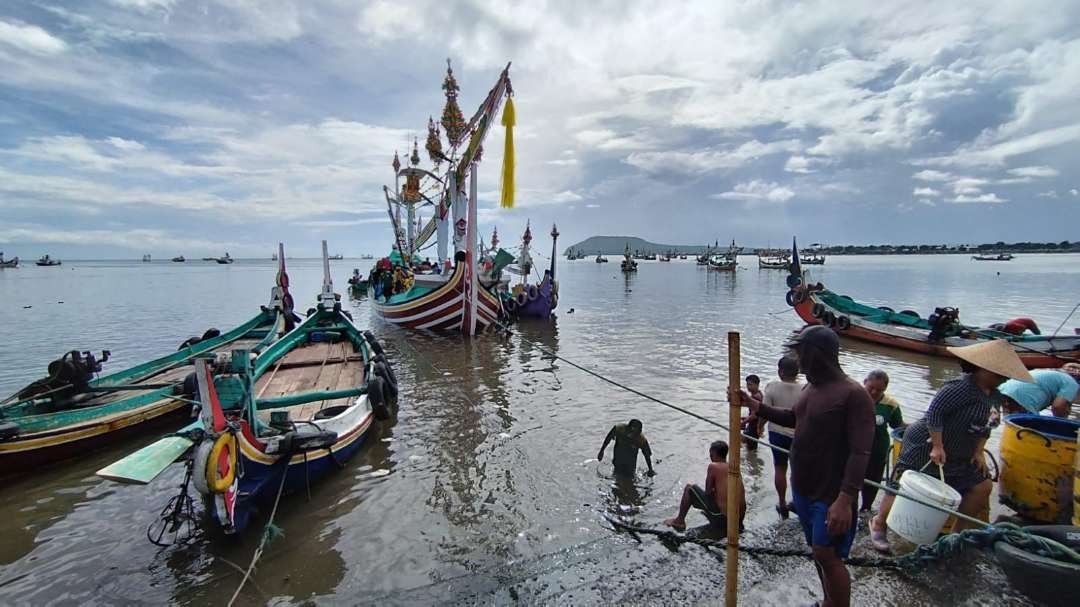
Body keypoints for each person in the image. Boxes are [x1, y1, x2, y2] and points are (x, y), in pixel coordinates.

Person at [738, 325, 874, 607]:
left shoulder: (853, 395)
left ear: (818, 355)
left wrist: (845, 499)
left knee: (828, 555)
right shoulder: (811, 388)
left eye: (802, 354)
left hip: (831, 493)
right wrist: (754, 405)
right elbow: (792, 417)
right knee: (818, 552)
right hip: (804, 489)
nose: (798, 361)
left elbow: (861, 452)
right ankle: (828, 601)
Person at [869, 340, 1034, 553]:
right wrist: (937, 446)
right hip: (925, 444)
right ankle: (879, 523)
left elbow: (988, 426)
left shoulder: (995, 396)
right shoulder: (959, 388)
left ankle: (955, 534)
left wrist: (978, 452)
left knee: (982, 486)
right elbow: (935, 414)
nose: (1002, 378)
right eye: (998, 373)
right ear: (982, 368)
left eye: (1004, 375)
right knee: (903, 484)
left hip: (960, 452)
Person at [663, 440, 745, 533]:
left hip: (723, 518)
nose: (711, 458)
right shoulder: (734, 467)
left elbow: (708, 492)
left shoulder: (713, 466)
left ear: (714, 454)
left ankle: (679, 521)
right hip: (739, 520)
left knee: (689, 488)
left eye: (711, 455)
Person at [761, 356, 803, 519]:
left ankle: (782, 503)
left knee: (780, 468)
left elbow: (764, 411)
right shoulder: (805, 390)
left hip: (777, 434)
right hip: (798, 435)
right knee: (797, 470)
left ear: (780, 371)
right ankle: (799, 502)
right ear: (797, 372)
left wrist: (759, 427)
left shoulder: (772, 387)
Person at [861, 370, 907, 512]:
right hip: (854, 448)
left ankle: (866, 509)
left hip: (877, 450)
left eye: (879, 390)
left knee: (872, 482)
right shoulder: (854, 397)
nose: (874, 392)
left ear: (885, 389)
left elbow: (898, 425)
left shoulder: (890, 405)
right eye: (871, 388)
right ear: (864, 383)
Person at [997, 368, 1078, 418]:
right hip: (1024, 396)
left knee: (1011, 423)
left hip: (1004, 388)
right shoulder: (1072, 383)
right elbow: (1058, 407)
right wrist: (1063, 424)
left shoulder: (1055, 374)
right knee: (1030, 430)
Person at [741, 374, 764, 450]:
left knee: (751, 449)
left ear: (757, 384)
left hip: (754, 426)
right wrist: (745, 418)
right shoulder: (759, 394)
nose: (748, 387)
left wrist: (743, 422)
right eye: (747, 384)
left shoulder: (756, 397)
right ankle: (751, 460)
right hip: (753, 425)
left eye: (750, 384)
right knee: (742, 441)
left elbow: (754, 415)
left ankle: (751, 460)